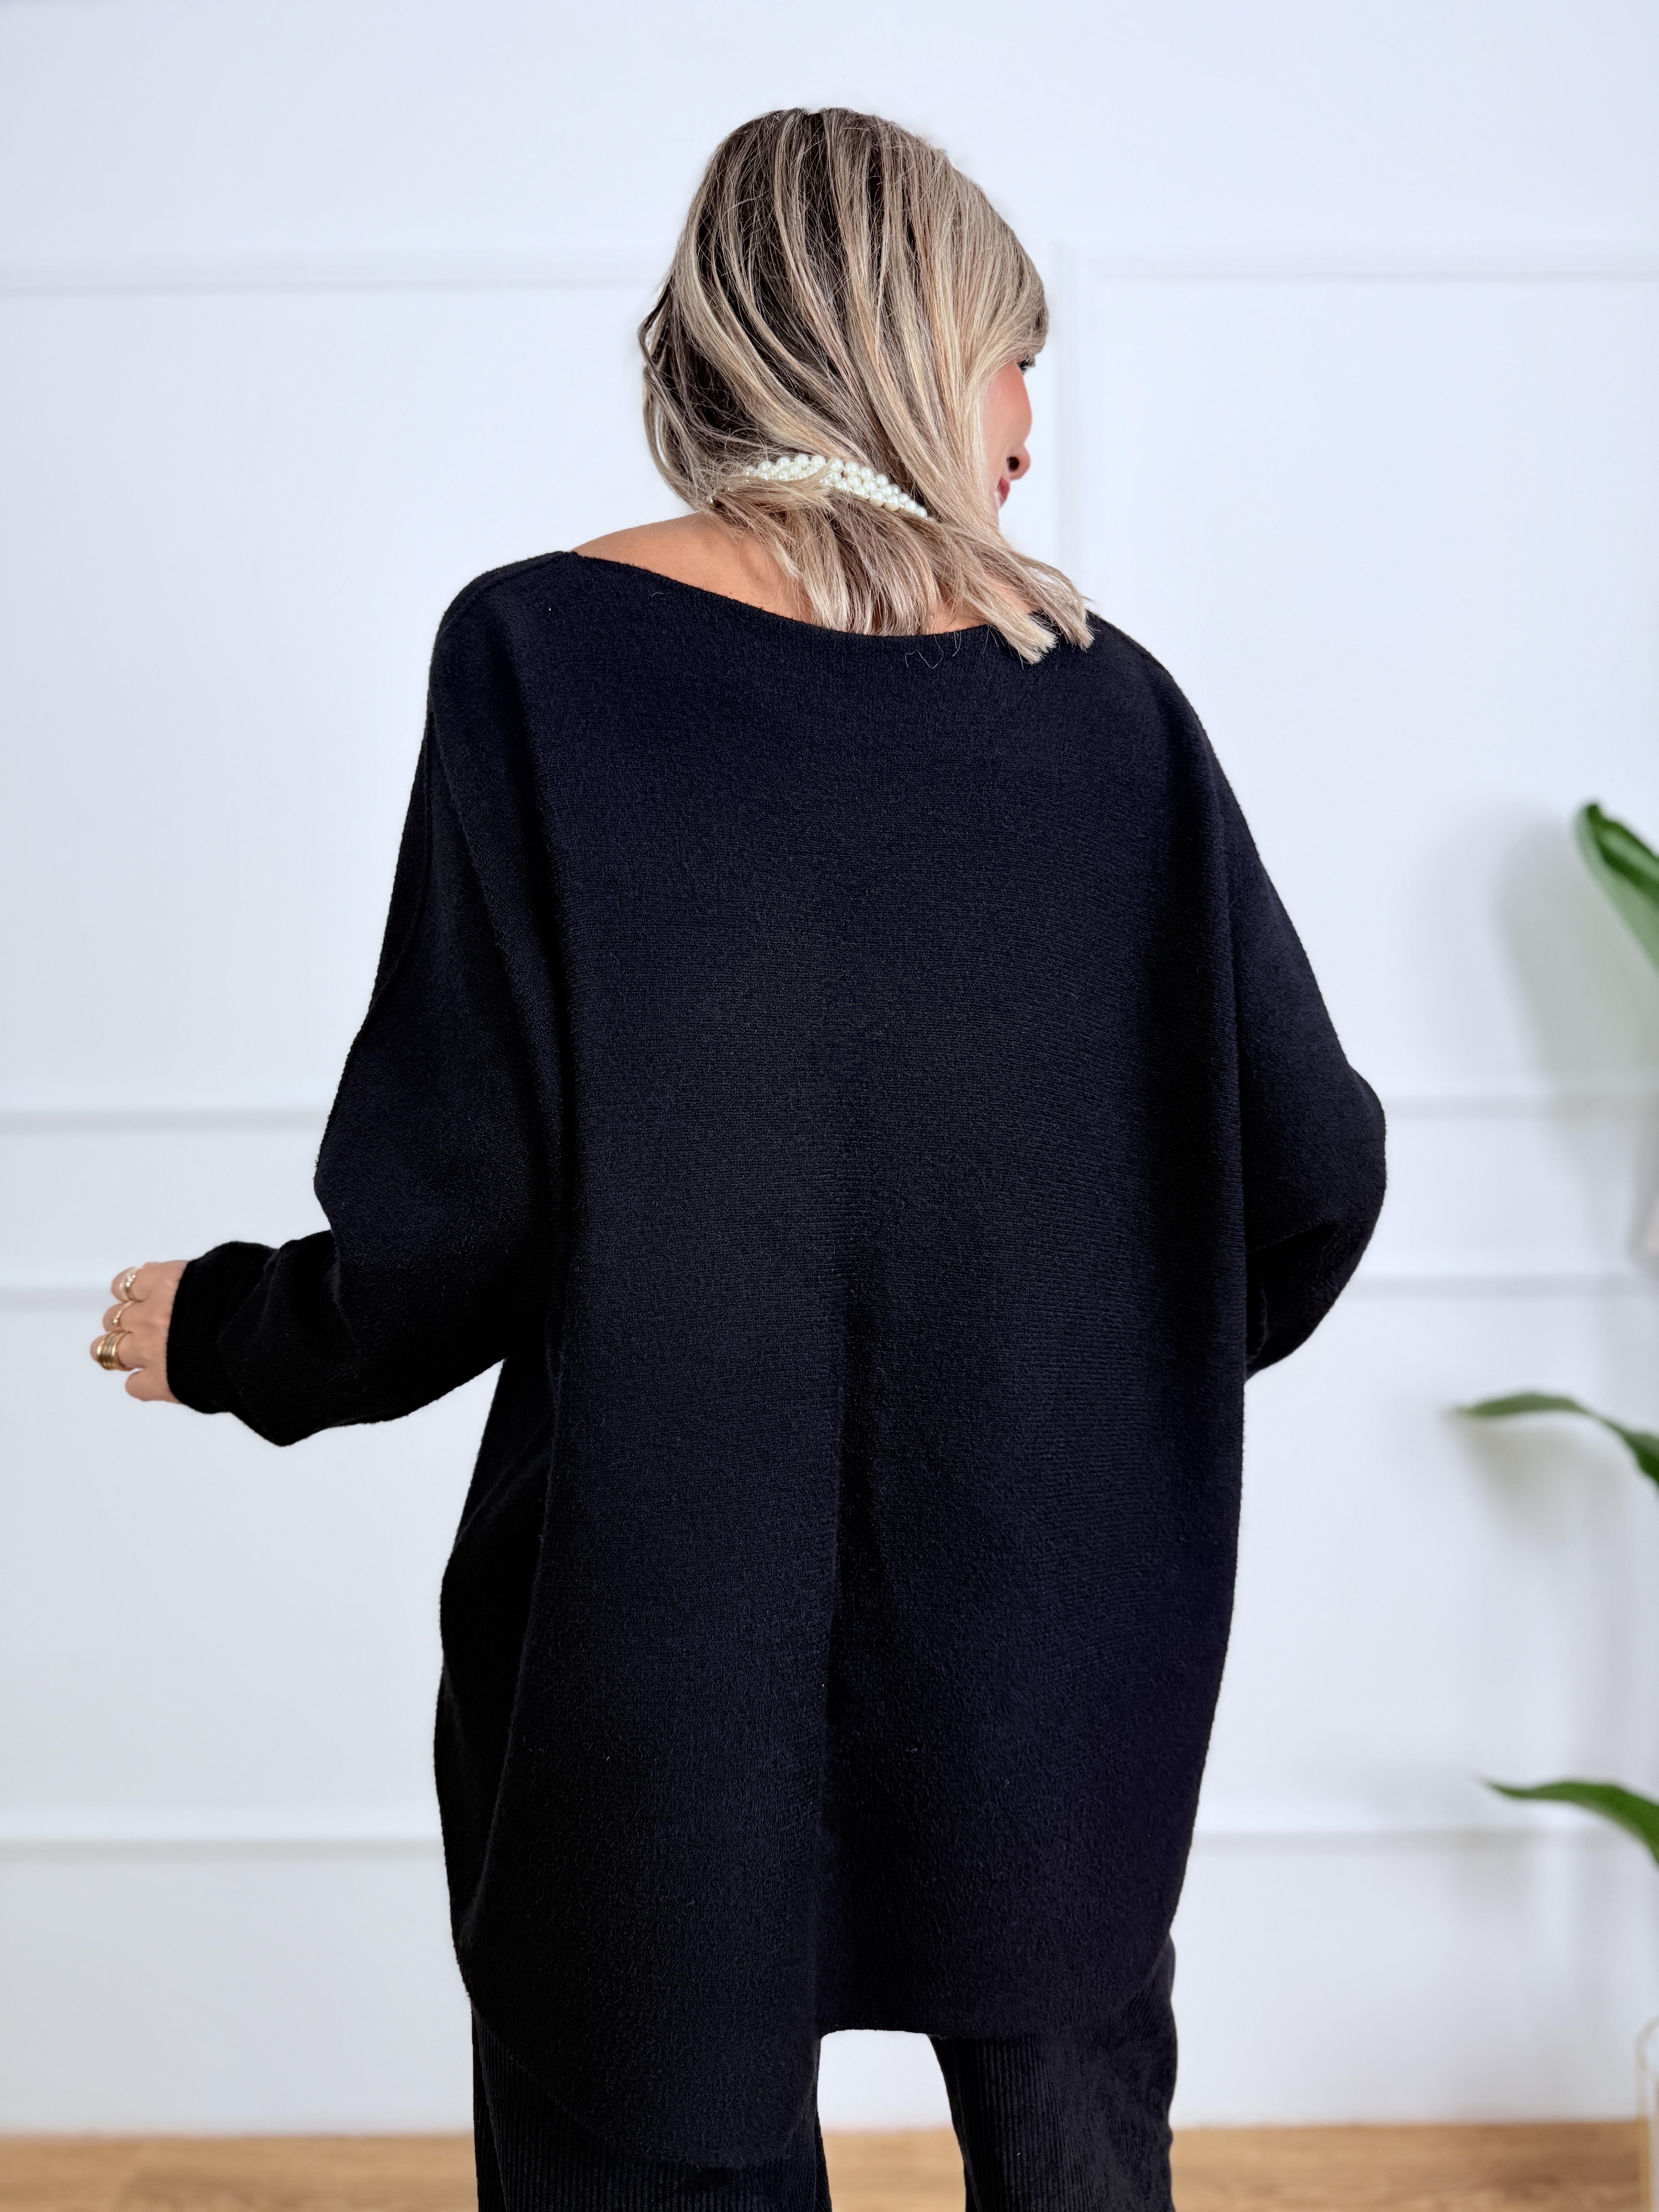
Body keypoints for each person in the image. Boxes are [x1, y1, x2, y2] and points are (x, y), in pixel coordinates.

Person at [90, 107, 1385, 2212]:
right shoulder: (1107, 711)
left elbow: (460, 1217)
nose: (1029, 426)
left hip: (652, 1643)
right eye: (1013, 358)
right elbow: (1310, 1175)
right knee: (1071, 2131)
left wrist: (235, 1330)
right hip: (1056, 1652)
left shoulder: (537, 657)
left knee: (649, 2109)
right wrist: (1072, 1404)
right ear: (905, 352)